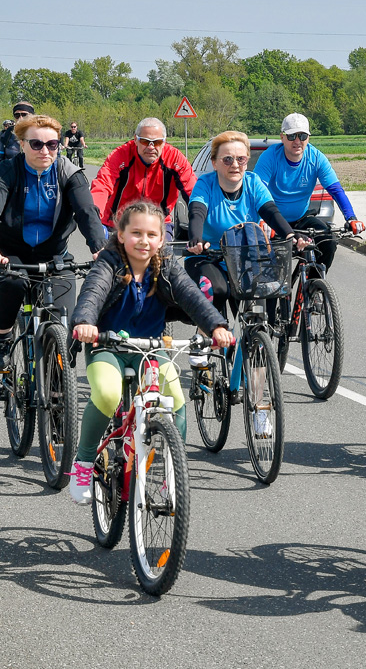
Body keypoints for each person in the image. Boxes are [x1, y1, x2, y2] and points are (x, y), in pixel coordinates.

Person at [69, 200, 235, 504]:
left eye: (151, 235)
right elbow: (92, 293)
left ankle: (173, 470)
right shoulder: (109, 262)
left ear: (161, 239)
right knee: (107, 394)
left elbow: (192, 296)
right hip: (107, 346)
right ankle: (83, 462)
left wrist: (216, 326)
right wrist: (84, 322)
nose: (143, 241)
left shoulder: (166, 265)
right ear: (121, 235)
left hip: (150, 348)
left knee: (176, 400)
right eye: (136, 233)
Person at [0, 114, 107, 374]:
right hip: (9, 255)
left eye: (52, 144)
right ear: (22, 145)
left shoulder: (68, 172)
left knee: (65, 321)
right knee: (12, 283)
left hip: (54, 256)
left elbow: (86, 212)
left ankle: (58, 384)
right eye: (36, 144)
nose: (45, 151)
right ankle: (2, 339)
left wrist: (99, 247)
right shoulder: (7, 172)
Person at [184, 130, 305, 319]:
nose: (235, 165)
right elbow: (197, 213)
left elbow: (271, 212)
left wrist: (290, 234)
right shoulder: (205, 184)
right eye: (227, 159)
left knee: (269, 292)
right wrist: (196, 238)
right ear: (214, 163)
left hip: (246, 256)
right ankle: (207, 332)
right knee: (217, 290)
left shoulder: (253, 183)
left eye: (240, 159)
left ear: (246, 162)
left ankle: (261, 334)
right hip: (208, 256)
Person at [252, 112, 364, 269]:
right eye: (292, 136)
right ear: (282, 137)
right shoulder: (270, 156)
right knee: (275, 263)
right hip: (273, 221)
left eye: (303, 136)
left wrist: (351, 217)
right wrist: (262, 220)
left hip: (301, 219)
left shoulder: (316, 158)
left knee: (329, 241)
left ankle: (313, 282)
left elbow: (336, 190)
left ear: (308, 138)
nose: (297, 141)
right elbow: (257, 190)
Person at [90, 117, 195, 240]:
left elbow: (193, 192)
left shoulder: (174, 158)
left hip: (158, 223)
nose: (151, 147)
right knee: (104, 250)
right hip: (117, 224)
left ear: (164, 142)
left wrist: (203, 226)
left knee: (165, 251)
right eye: (145, 141)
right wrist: (94, 221)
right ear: (135, 139)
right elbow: (102, 186)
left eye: (157, 142)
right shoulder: (120, 155)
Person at [0, 102, 34, 169]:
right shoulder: (7, 134)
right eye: (17, 115)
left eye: (24, 115)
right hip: (11, 173)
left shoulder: (41, 134)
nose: (20, 118)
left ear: (32, 116)